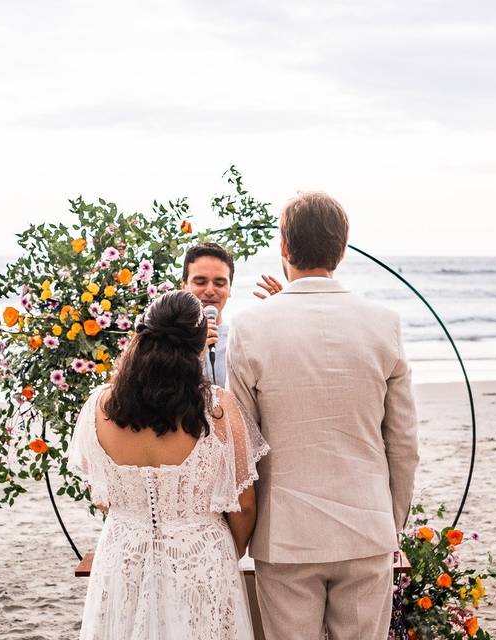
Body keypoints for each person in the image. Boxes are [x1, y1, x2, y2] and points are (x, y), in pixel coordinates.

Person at [226, 192, 419, 640]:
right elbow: (404, 444)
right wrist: (390, 524)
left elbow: (241, 446)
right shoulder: (383, 323)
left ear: (285, 248)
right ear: (342, 249)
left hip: (285, 533)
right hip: (367, 528)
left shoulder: (252, 327)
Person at [68, 290, 269, 640]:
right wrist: (226, 553)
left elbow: (100, 496)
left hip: (123, 554)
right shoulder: (218, 409)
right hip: (201, 556)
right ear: (199, 347)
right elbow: (245, 504)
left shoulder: (98, 406)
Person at [181, 242, 283, 387]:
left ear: (230, 289)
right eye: (200, 281)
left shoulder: (242, 340)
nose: (210, 290)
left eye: (219, 283)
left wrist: (281, 325)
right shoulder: (164, 341)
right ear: (184, 286)